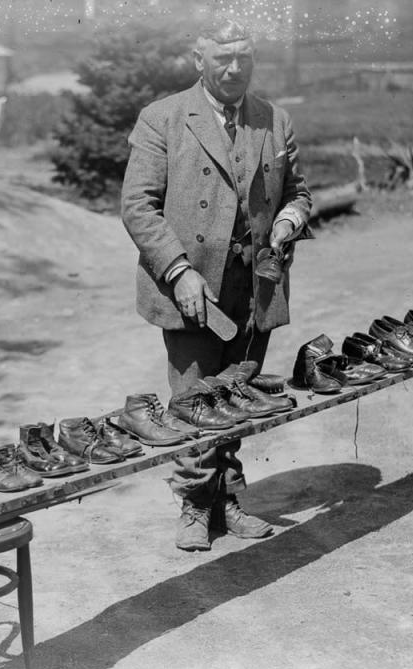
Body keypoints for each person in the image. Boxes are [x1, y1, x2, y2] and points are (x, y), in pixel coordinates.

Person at [120, 19, 313, 552]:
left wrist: (287, 222)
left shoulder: (274, 120)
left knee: (237, 394)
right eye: (222, 58)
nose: (234, 68)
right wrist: (178, 271)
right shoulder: (163, 119)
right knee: (192, 398)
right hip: (190, 287)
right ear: (197, 59)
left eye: (244, 57)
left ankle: (227, 498)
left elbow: (299, 194)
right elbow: (137, 207)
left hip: (255, 288)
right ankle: (193, 505)